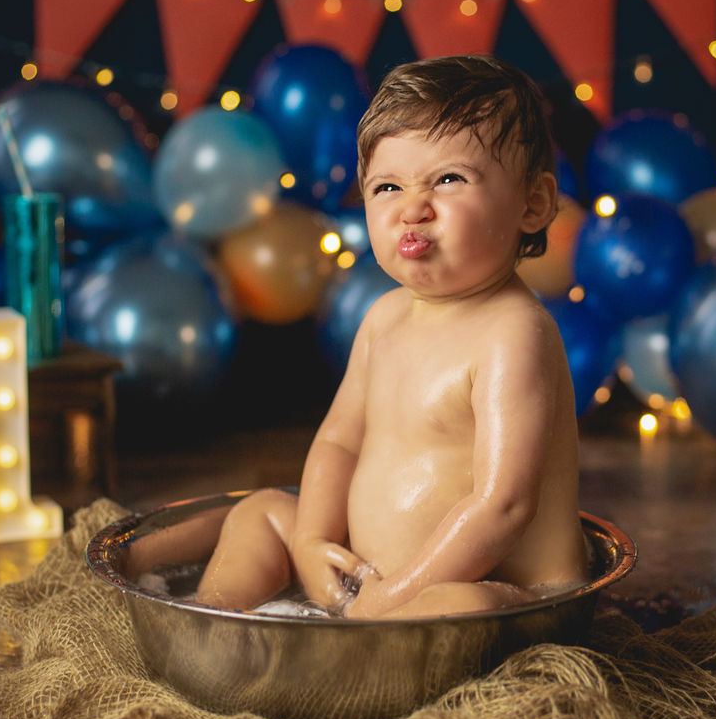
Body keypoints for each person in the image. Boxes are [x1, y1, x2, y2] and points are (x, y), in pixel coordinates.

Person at [196, 55, 588, 619]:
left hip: (505, 595)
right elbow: (338, 443)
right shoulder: (384, 318)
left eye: (449, 179)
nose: (412, 208)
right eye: (386, 186)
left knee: (457, 606)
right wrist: (311, 541)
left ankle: (338, 653)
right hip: (367, 585)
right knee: (260, 512)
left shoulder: (513, 334)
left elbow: (503, 506)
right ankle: (217, 622)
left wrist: (395, 597)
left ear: (534, 204)